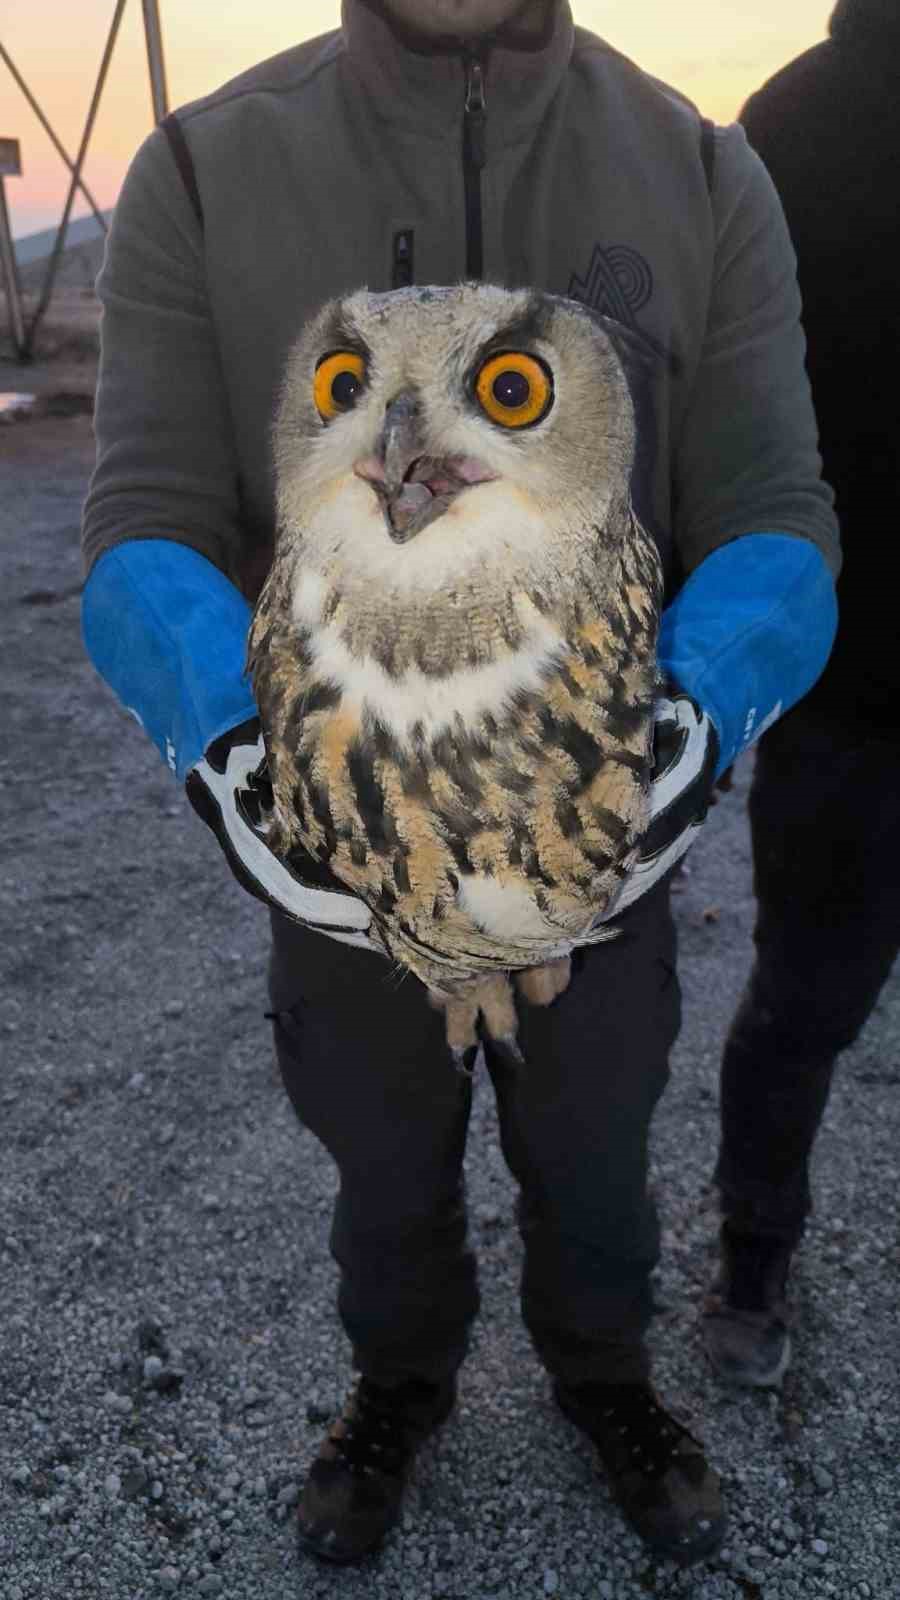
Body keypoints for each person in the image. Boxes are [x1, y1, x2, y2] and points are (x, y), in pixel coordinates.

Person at [80, 0, 839, 1570]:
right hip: (340, 841)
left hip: (593, 840)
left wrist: (670, 750)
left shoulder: (699, 171)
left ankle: (604, 1376)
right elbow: (143, 517)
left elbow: (776, 510)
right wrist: (246, 763)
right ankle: (400, 1383)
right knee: (379, 1145)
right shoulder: (207, 169)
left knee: (596, 1145)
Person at [702, 0, 900, 1388]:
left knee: (797, 1001)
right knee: (806, 1002)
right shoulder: (796, 121)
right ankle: (753, 1269)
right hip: (854, 684)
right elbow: (726, 400)